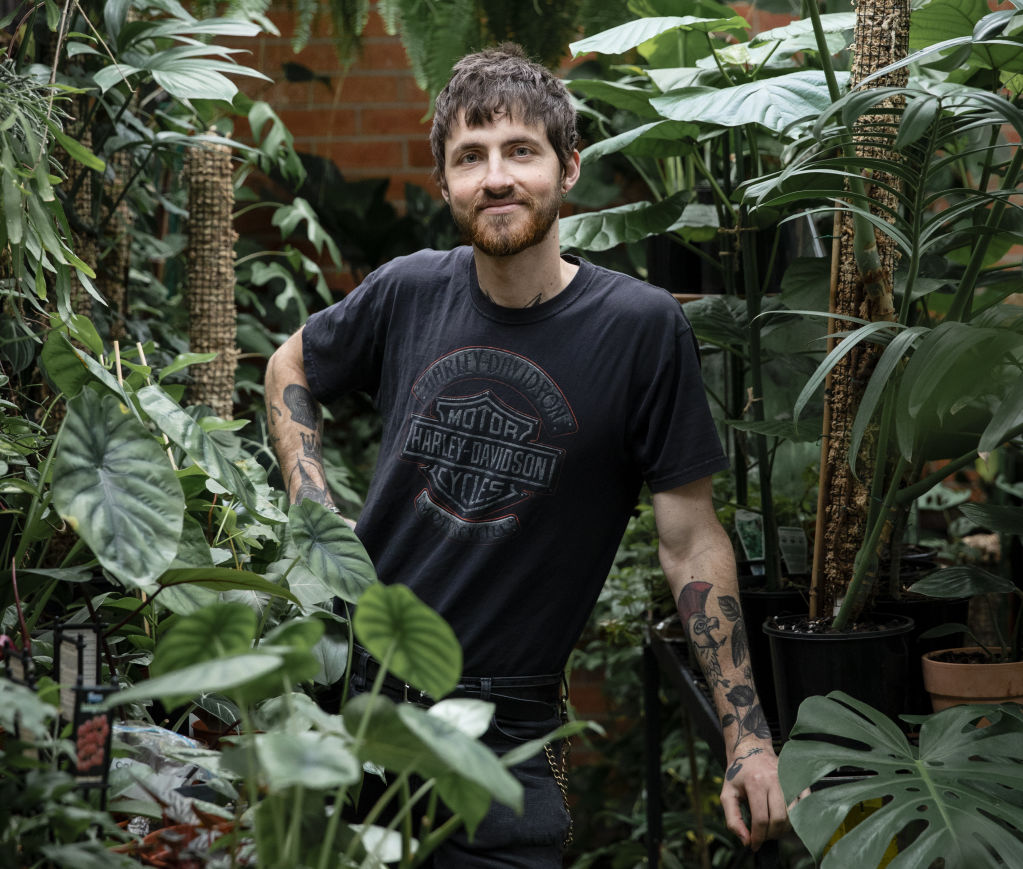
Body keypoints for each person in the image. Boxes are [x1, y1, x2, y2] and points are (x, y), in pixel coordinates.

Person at [265, 43, 788, 865]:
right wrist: (310, 502)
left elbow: (689, 538)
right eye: (468, 158)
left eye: (520, 151)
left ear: (567, 166)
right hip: (349, 694)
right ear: (443, 184)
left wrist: (747, 737)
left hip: (501, 729)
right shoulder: (409, 289)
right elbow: (288, 361)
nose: (495, 177)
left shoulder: (640, 328)